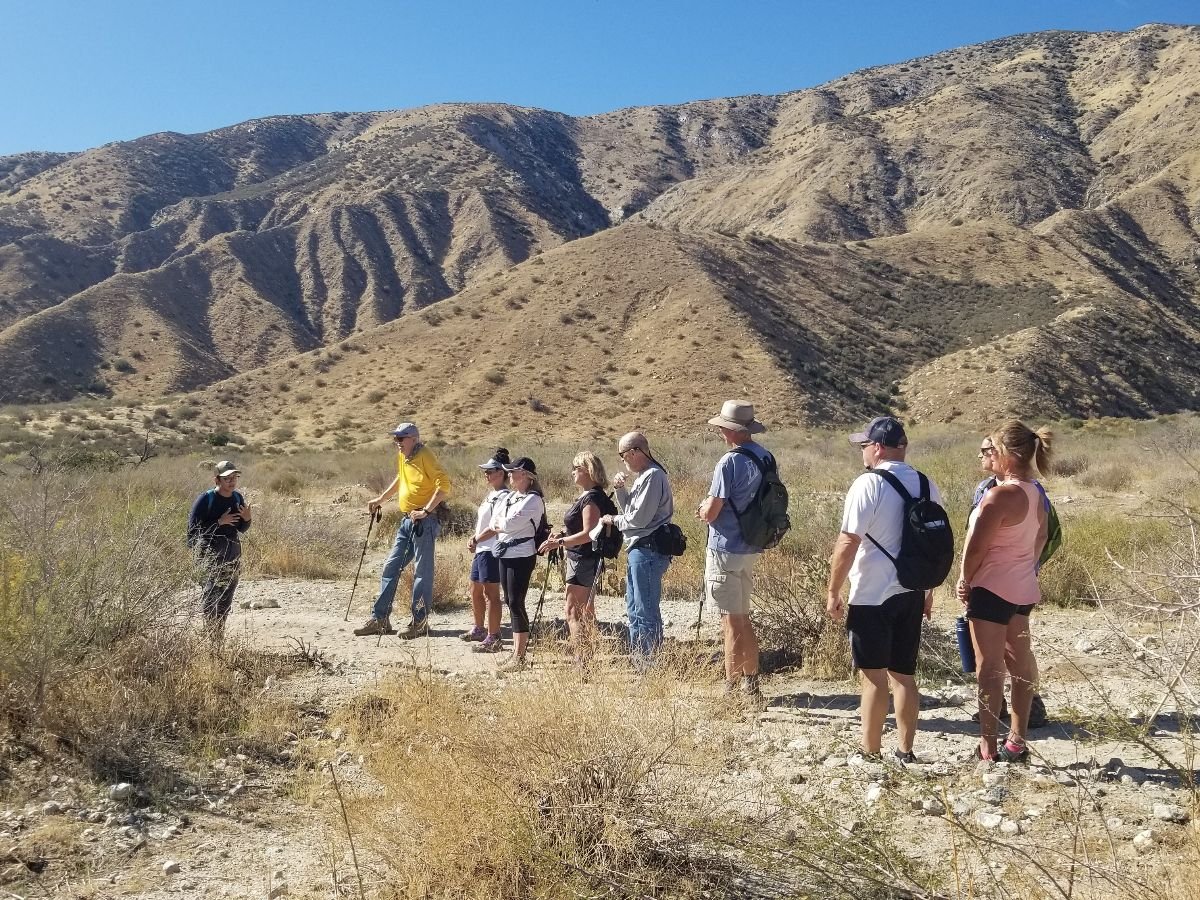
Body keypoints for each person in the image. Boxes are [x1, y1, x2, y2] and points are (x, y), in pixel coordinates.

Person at [826, 416, 940, 765]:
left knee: (873, 677)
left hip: (872, 594)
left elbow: (848, 542)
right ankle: (906, 751)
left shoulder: (868, 484)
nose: (862, 452)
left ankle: (870, 752)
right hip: (912, 590)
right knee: (904, 675)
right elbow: (932, 542)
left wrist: (833, 589)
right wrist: (928, 590)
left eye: (864, 445)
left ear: (876, 447)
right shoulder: (926, 483)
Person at [958, 421, 1053, 763]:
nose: (990, 456)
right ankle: (1017, 741)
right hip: (1022, 588)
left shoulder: (999, 495)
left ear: (1010, 455)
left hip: (991, 587)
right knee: (1021, 665)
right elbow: (1040, 539)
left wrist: (966, 580)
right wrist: (1026, 567)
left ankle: (988, 747)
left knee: (989, 670)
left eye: (994, 450)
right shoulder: (1036, 493)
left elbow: (976, 548)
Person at [696, 401, 772, 701]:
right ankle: (751, 686)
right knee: (742, 617)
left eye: (722, 427)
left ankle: (731, 690)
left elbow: (713, 511)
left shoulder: (729, 462)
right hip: (751, 546)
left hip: (725, 547)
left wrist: (702, 510)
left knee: (730, 621)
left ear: (730, 430)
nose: (720, 432)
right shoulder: (765, 457)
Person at [354, 423, 452, 639]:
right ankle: (380, 619)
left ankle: (420, 622)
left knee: (421, 573)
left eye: (401, 438)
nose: (397, 443)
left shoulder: (425, 454)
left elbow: (444, 485)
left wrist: (426, 510)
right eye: (395, 439)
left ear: (414, 439)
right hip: (407, 520)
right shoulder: (404, 456)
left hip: (425, 522)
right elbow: (401, 479)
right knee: (391, 566)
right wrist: (381, 499)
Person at [600, 432, 674, 671]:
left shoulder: (653, 476)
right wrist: (621, 490)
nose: (624, 461)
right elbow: (633, 511)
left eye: (623, 456)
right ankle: (641, 661)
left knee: (644, 609)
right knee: (634, 608)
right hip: (640, 548)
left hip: (648, 548)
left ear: (634, 452)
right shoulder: (645, 477)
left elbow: (639, 520)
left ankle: (649, 665)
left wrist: (613, 519)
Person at [540, 451, 616, 670]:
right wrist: (562, 534)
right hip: (587, 559)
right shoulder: (592, 496)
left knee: (573, 611)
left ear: (588, 471)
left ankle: (581, 662)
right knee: (587, 610)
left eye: (577, 467)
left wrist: (559, 542)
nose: (573, 471)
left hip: (582, 559)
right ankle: (587, 658)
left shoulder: (591, 498)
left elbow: (588, 533)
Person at [474, 457, 545, 674]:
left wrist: (502, 524)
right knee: (510, 600)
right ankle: (516, 652)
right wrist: (502, 524)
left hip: (522, 555)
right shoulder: (513, 497)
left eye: (514, 472)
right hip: (506, 553)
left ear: (526, 475)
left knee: (516, 601)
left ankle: (520, 655)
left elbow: (508, 523)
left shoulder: (534, 500)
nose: (510, 475)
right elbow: (497, 522)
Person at [188, 460, 252, 641]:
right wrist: (218, 523)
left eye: (234, 478)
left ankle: (218, 640)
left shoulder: (237, 498)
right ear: (217, 480)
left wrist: (247, 520)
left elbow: (241, 528)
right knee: (211, 597)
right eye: (227, 479)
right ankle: (210, 638)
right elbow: (193, 533)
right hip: (209, 556)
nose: (232, 482)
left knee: (226, 599)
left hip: (232, 555)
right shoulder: (205, 500)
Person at [461, 448, 510, 654]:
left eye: (490, 471)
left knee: (491, 593)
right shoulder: (491, 495)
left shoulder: (505, 496)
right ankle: (479, 628)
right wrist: (476, 540)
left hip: (492, 550)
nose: (486, 475)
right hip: (482, 548)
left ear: (501, 472)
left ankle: (494, 635)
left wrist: (476, 539)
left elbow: (495, 526)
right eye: (486, 471)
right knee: (475, 590)